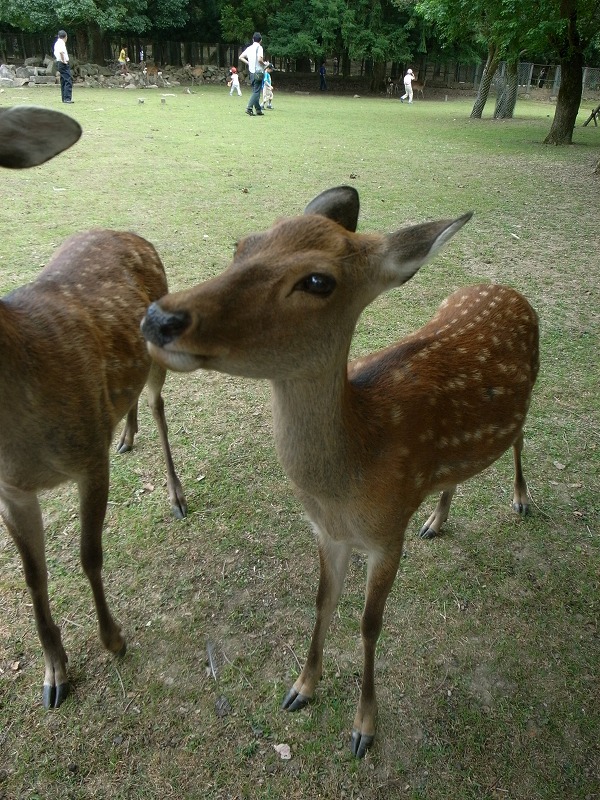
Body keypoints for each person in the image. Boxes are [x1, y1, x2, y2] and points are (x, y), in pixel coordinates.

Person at [239, 32, 266, 117]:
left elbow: (241, 57)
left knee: (255, 91)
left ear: (252, 39)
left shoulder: (249, 48)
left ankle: (258, 110)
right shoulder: (259, 48)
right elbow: (259, 59)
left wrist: (249, 63)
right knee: (256, 92)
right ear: (260, 40)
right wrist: (265, 64)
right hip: (258, 72)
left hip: (251, 72)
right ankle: (249, 108)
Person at [53, 30, 73, 104]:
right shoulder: (61, 43)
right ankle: (67, 98)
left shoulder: (57, 43)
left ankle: (64, 98)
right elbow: (61, 52)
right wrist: (64, 60)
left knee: (63, 81)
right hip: (63, 63)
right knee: (68, 80)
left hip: (59, 62)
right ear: (66, 36)